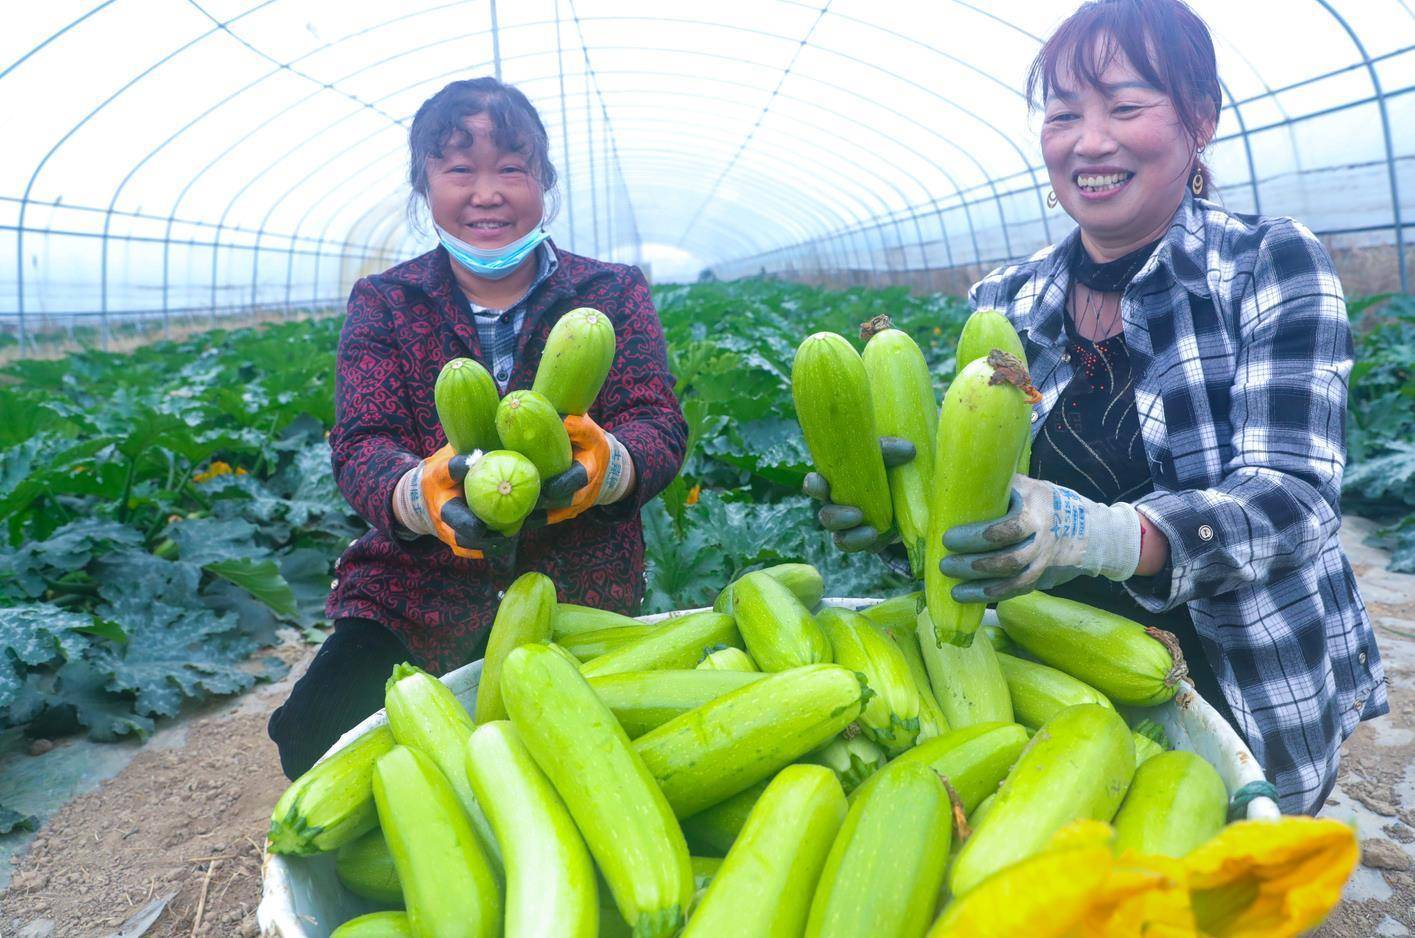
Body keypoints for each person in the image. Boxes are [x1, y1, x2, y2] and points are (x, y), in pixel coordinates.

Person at [808, 0, 1386, 815]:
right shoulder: (1004, 300)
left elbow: (1292, 500)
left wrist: (1106, 534)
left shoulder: (1265, 263)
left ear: (1199, 121)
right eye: (1063, 112)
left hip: (1238, 682)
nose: (1089, 140)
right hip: (1051, 682)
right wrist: (899, 519)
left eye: (1124, 105)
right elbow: (988, 513)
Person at [268, 78, 686, 779]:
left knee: (584, 763)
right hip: (413, 589)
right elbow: (361, 443)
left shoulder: (609, 293)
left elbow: (657, 422)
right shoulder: (386, 301)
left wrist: (606, 468)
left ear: (543, 184)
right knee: (314, 737)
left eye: (511, 169)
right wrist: (420, 493)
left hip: (575, 584)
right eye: (459, 169)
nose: (486, 193)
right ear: (424, 185)